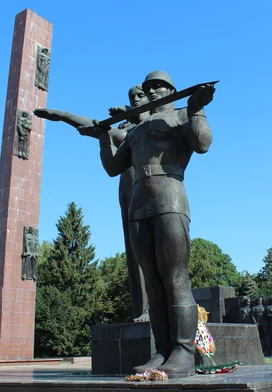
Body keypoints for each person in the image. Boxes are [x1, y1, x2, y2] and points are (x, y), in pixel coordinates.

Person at [84, 70, 215, 378]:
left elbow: (203, 143)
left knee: (175, 278)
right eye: (149, 87)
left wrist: (197, 108)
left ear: (172, 89)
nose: (153, 91)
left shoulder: (182, 114)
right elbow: (114, 168)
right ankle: (163, 350)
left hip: (170, 198)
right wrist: (104, 139)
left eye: (159, 86)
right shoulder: (138, 127)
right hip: (139, 204)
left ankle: (183, 351)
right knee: (153, 285)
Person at [33, 85, 151, 321]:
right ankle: (143, 310)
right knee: (134, 253)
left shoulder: (151, 126)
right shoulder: (126, 131)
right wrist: (63, 115)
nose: (136, 100)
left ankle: (155, 310)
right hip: (127, 192)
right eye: (132, 97)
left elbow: (153, 116)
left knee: (152, 251)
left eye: (141, 96)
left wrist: (127, 110)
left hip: (150, 191)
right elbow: (96, 128)